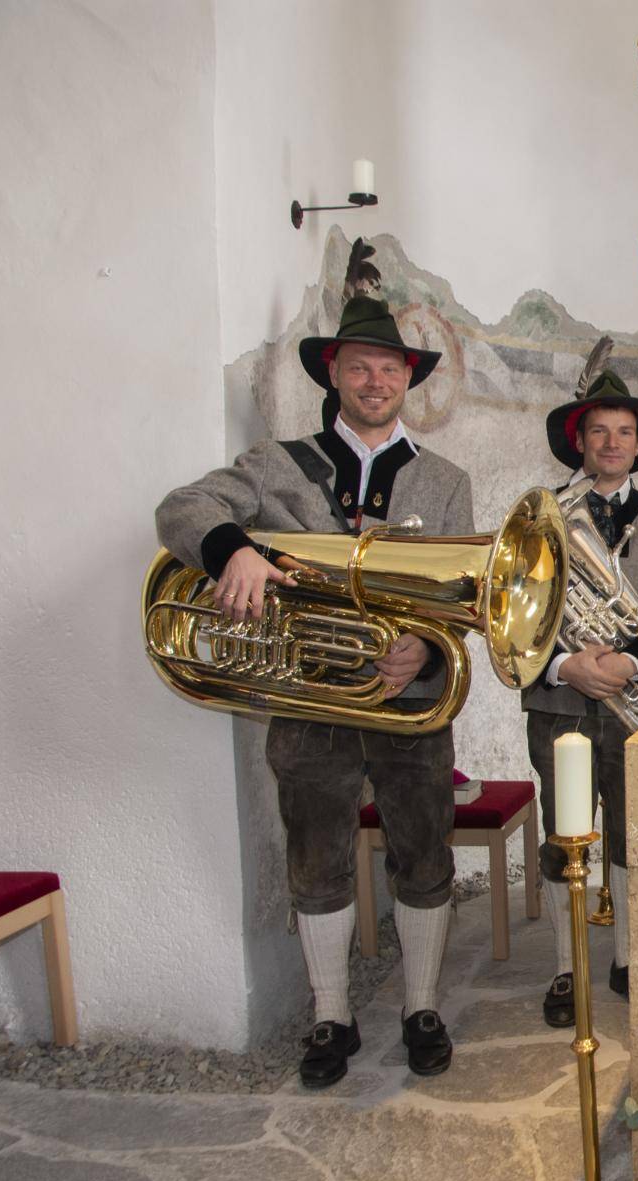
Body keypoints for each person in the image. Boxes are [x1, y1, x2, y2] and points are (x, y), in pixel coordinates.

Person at [155, 250, 469, 1087]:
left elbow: (459, 594)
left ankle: (421, 1006)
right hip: (309, 703)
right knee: (316, 857)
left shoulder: (445, 482)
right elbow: (181, 509)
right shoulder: (276, 463)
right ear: (333, 373)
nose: (375, 381)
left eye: (390, 368)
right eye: (360, 367)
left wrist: (427, 645)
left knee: (424, 853)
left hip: (408, 700)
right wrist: (233, 550)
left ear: (409, 379)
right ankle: (331, 1014)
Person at [528, 345, 638, 1028]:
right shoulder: (541, 517)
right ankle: (565, 966)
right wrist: (564, 666)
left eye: (624, 432)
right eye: (598, 431)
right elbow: (517, 605)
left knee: (636, 835)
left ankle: (630, 957)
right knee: (562, 836)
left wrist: (628, 665)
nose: (611, 443)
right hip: (560, 699)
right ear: (579, 441)